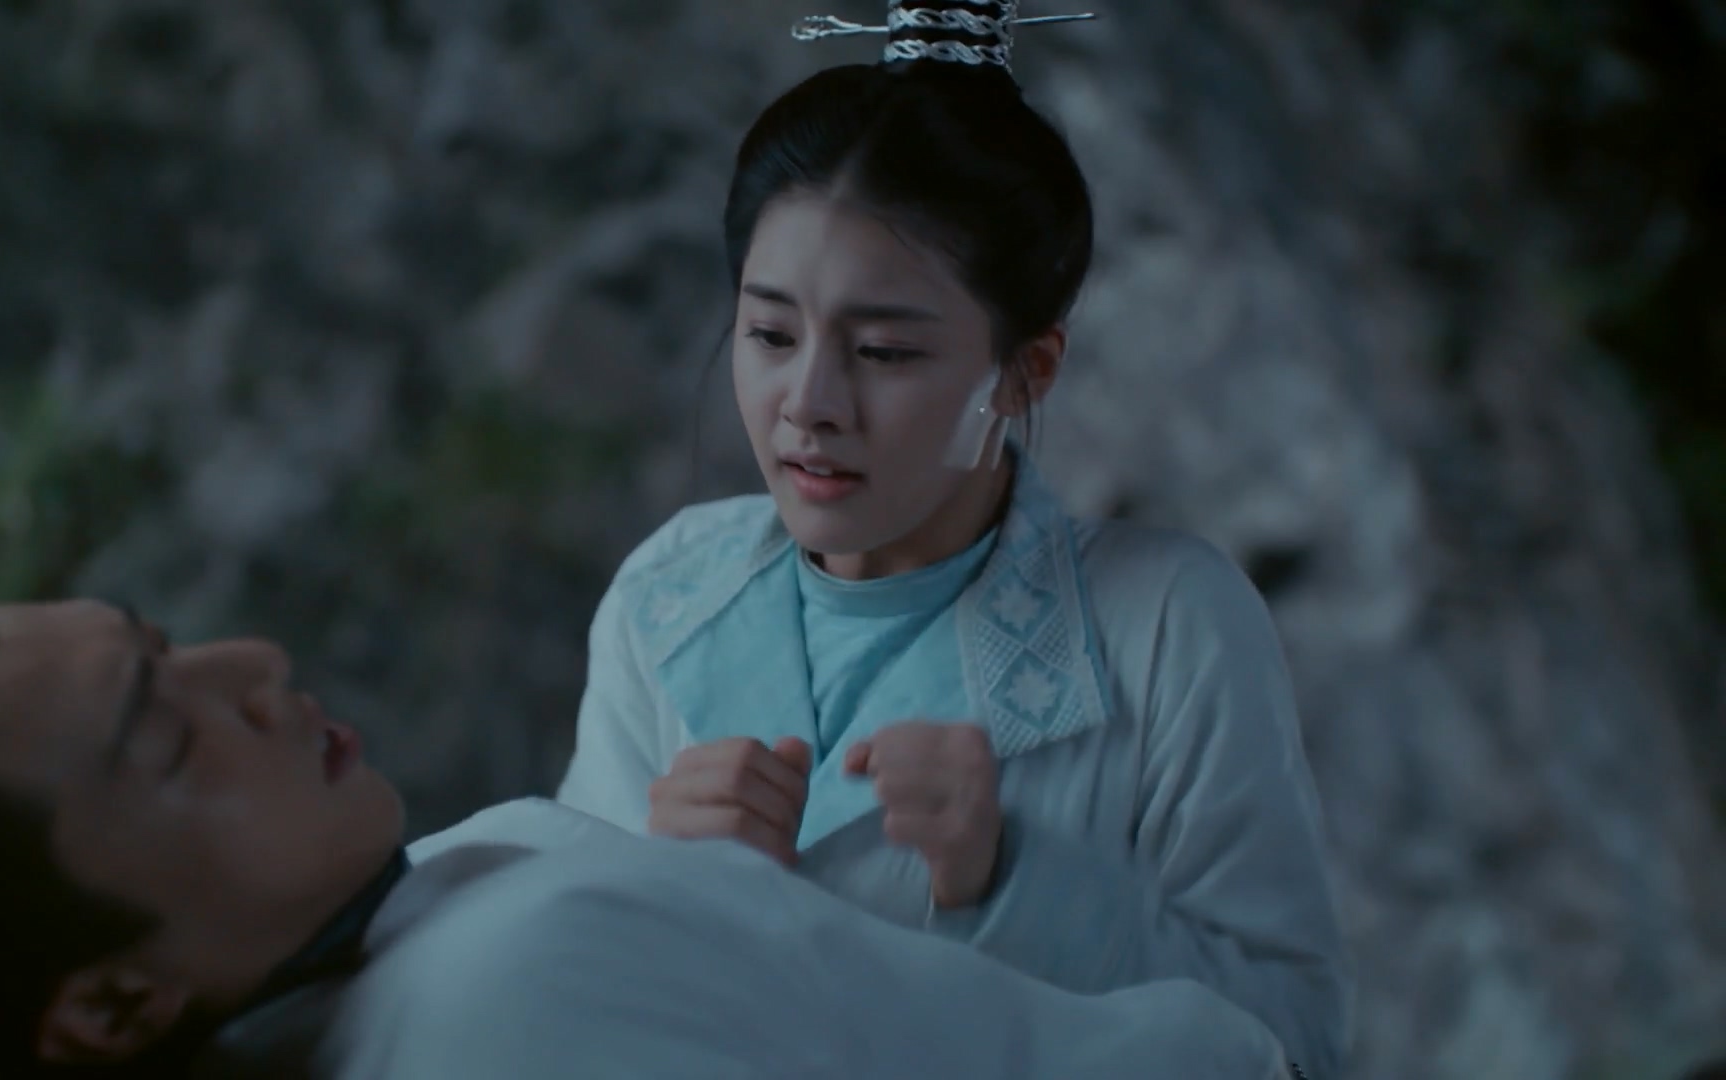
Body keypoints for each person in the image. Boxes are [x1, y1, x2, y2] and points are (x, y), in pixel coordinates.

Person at [555, 2, 1350, 1077]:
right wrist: (655, 889)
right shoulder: (670, 590)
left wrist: (1014, 878)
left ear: (1026, 371)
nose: (809, 404)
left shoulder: (1170, 624)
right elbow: (557, 1005)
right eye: (771, 333)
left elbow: (1293, 1045)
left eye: (883, 351)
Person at [0, 595, 1298, 1079]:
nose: (249, 666)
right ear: (114, 1003)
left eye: (162, 639)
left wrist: (715, 911)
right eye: (166, 734)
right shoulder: (512, 1007)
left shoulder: (438, 940)